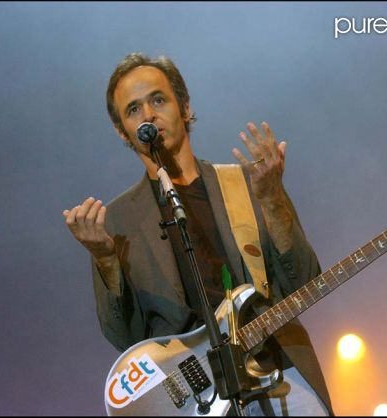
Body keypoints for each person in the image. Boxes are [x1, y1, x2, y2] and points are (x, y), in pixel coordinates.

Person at [63, 52, 335, 416]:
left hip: (277, 373)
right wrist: (106, 260)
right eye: (133, 109)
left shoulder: (246, 183)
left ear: (185, 106)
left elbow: (303, 280)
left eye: (158, 100)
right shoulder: (117, 222)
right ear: (121, 130)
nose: (148, 115)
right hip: (197, 403)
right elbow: (124, 338)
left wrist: (271, 200)